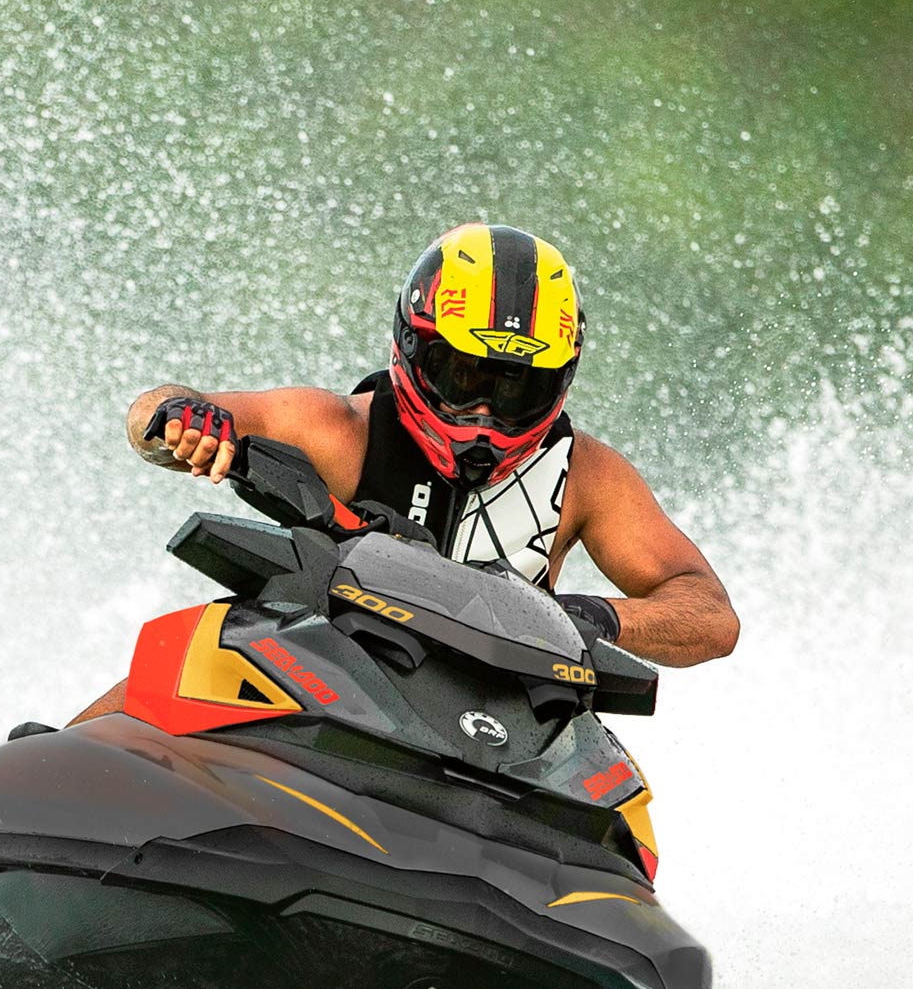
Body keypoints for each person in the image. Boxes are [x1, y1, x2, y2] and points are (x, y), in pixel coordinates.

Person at [120, 222, 739, 669]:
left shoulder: (588, 477)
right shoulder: (338, 428)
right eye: (464, 376)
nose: (483, 413)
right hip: (316, 671)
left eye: (516, 388)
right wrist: (181, 419)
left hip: (503, 721)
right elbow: (153, 413)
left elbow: (711, 615)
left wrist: (593, 618)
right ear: (412, 349)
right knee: (181, 665)